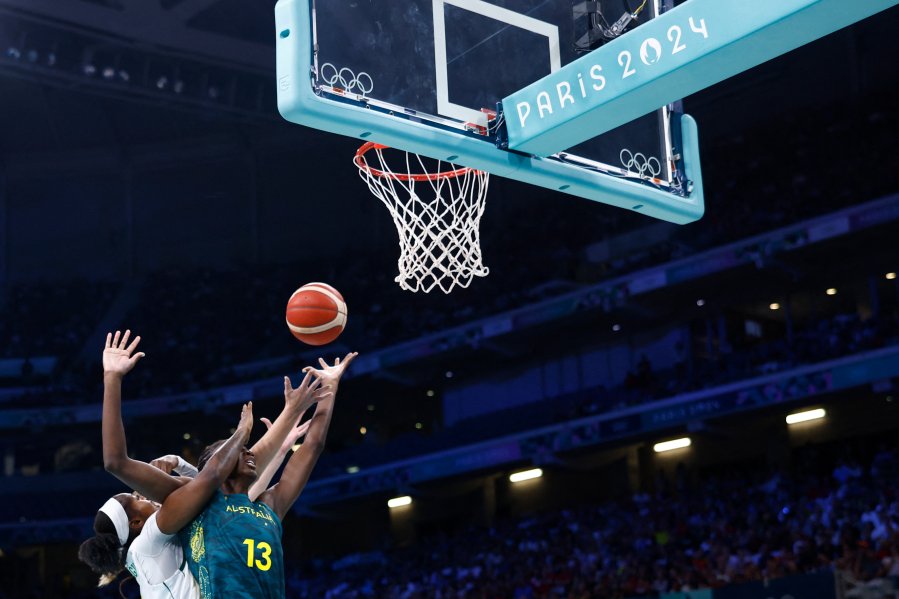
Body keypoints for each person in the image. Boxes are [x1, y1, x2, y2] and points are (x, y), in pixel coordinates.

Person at [78, 330, 328, 595]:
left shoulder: (173, 531)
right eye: (137, 498)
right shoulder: (149, 542)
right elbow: (214, 478)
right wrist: (112, 377)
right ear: (136, 523)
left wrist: (286, 424)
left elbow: (233, 480)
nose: (146, 496)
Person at [181, 352, 356, 599]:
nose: (249, 453)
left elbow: (312, 446)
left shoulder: (269, 506)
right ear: (216, 466)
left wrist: (330, 387)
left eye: (247, 449)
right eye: (238, 451)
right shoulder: (202, 508)